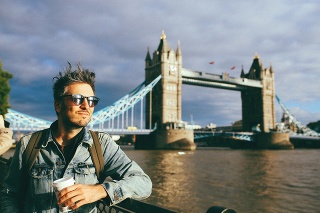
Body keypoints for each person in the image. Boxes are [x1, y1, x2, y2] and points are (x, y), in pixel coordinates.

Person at [0, 63, 152, 212]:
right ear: (58, 105)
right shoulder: (29, 145)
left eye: (92, 101)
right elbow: (9, 195)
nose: (86, 106)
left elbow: (144, 183)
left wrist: (100, 190)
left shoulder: (101, 145)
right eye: (77, 99)